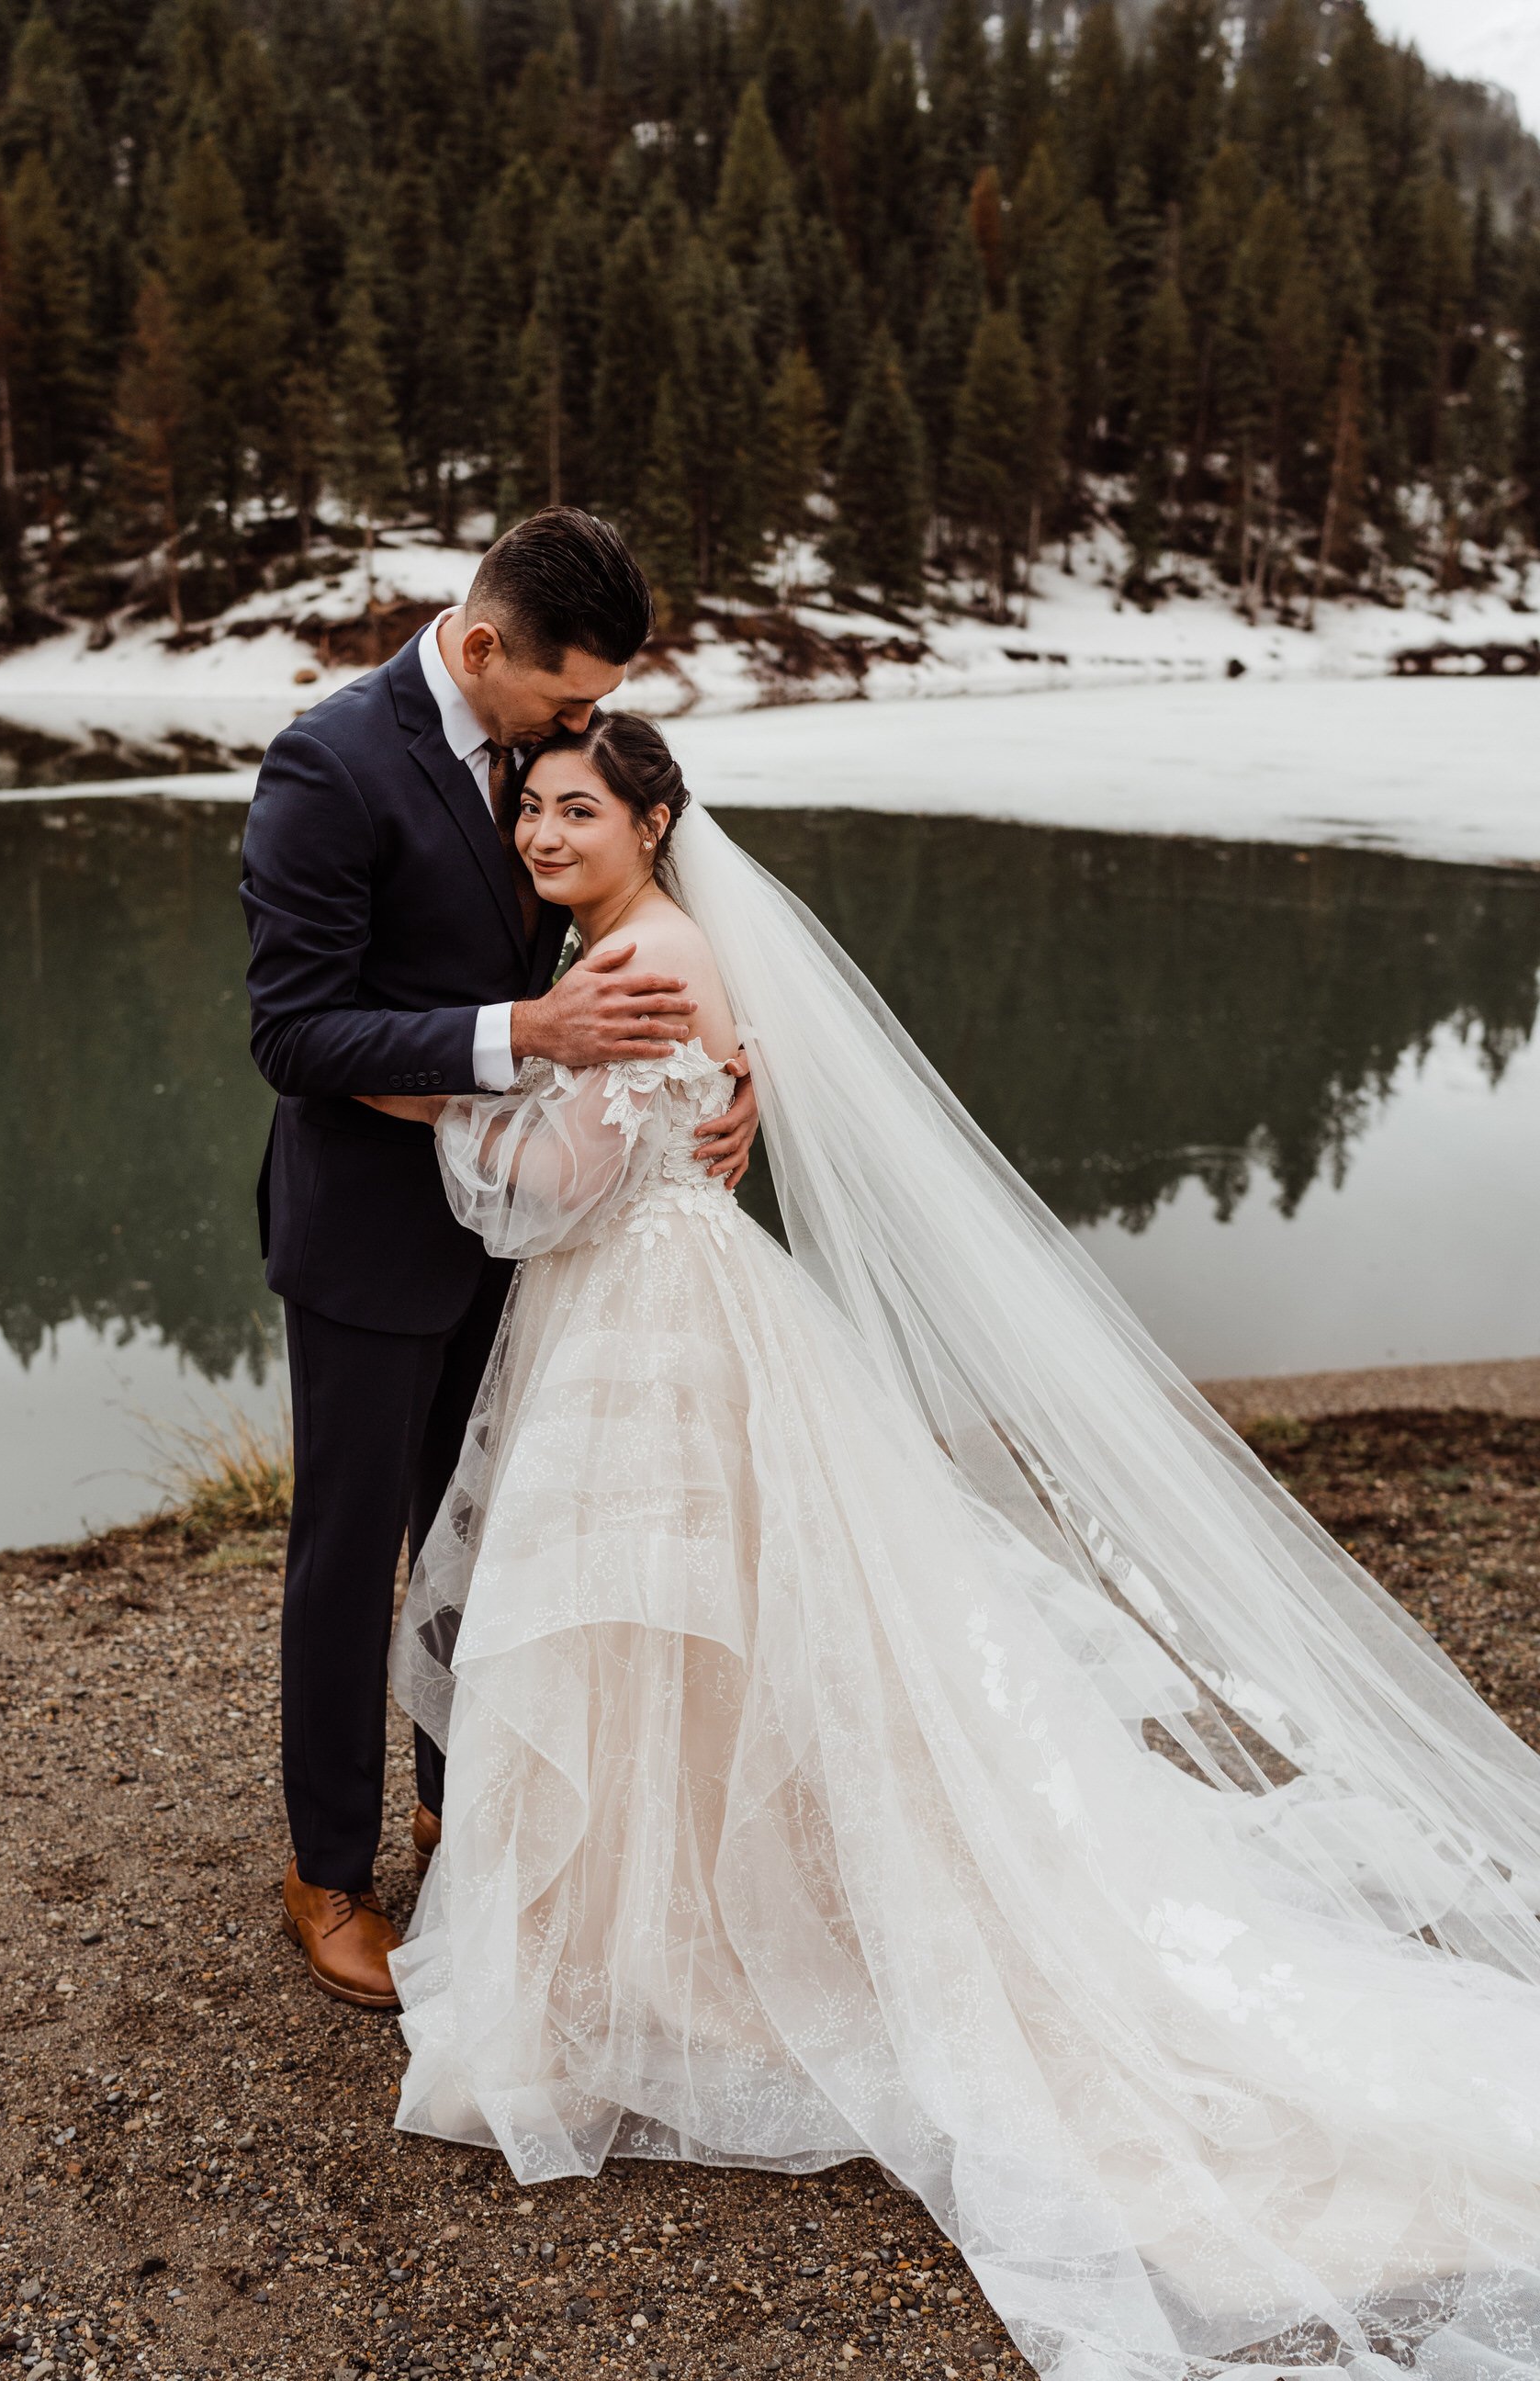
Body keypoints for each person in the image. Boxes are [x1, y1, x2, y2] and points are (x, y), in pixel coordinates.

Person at [386, 710, 1540, 2381]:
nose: (544, 835)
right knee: (676, 1634)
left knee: (650, 1623)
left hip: (650, 1322)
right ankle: (652, 1938)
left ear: (652, 820)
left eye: (580, 809)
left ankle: (646, 1964)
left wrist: (438, 1090)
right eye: (532, 812)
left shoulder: (636, 960)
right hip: (665, 1309)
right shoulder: (649, 942)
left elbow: (547, 1190)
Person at [239, 511, 758, 2008]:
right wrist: (520, 1037)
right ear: (480, 647)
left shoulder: (551, 771)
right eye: (569, 701)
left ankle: (456, 1808)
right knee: (353, 1561)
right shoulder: (328, 765)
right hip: (373, 1236)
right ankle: (328, 1873)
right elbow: (292, 1029)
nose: (585, 730)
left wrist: (732, 1068)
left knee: (499, 1530)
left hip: (547, 1235)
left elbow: (635, 924)